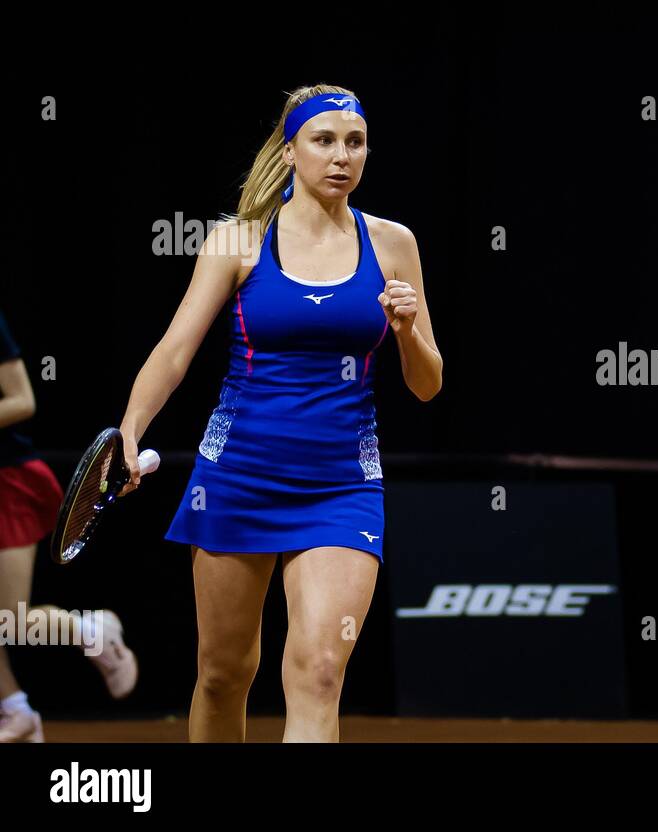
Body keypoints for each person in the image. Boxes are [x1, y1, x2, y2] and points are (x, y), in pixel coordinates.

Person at [116, 85, 443, 742]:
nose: (341, 156)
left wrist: (407, 331)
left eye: (355, 142)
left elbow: (427, 385)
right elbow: (176, 350)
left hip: (342, 485)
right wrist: (129, 431)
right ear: (290, 151)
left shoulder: (393, 244)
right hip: (236, 476)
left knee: (321, 669)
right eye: (323, 141)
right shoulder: (237, 241)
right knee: (223, 674)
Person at [0, 307, 138, 743]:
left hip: (8, 481)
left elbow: (23, 398)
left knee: (11, 621)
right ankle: (16, 711)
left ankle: (91, 631)